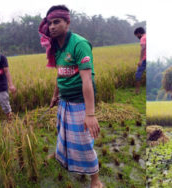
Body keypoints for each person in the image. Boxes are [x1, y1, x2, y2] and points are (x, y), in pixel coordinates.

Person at [38, 5, 103, 188]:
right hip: (64, 100)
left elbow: (87, 81)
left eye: (56, 22)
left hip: (79, 102)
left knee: (83, 141)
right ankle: (60, 157)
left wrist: (90, 115)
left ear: (67, 22)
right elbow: (60, 73)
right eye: (50, 23)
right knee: (62, 132)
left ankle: (95, 180)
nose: (52, 26)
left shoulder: (79, 44)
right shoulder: (55, 46)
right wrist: (55, 96)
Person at [134, 27, 146, 94]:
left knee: (138, 74)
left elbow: (143, 48)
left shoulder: (143, 38)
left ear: (139, 33)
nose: (137, 37)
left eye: (136, 35)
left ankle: (137, 90)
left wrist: (141, 60)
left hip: (144, 59)